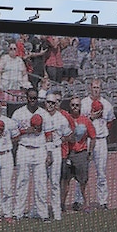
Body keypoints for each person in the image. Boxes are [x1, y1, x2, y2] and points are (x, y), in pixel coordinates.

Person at [78, 79, 116, 211]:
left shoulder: (107, 104)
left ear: (101, 89)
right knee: (82, 172)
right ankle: (79, 200)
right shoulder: (84, 103)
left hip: (100, 140)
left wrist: (101, 130)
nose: (96, 90)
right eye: (94, 87)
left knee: (101, 172)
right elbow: (79, 122)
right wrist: (91, 119)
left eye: (98, 87)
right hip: (86, 140)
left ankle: (103, 201)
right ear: (90, 88)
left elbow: (110, 121)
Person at [11, 89, 48, 220]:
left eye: (35, 98)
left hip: (39, 149)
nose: (33, 101)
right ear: (26, 98)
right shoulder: (18, 113)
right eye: (31, 98)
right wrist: (26, 131)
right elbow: (13, 136)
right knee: (22, 182)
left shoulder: (43, 113)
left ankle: (42, 213)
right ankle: (18, 213)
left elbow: (48, 134)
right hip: (24, 148)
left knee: (41, 183)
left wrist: (49, 153)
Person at [40, 91, 71, 222]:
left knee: (54, 182)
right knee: (40, 182)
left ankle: (56, 211)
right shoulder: (40, 115)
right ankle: (40, 211)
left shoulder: (61, 118)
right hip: (42, 150)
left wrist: (59, 140)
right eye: (48, 102)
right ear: (45, 102)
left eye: (53, 103)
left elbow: (69, 135)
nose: (51, 105)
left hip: (56, 150)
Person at [61, 94, 95, 213]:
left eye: (77, 105)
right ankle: (62, 205)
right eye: (73, 105)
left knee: (83, 181)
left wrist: (90, 152)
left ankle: (87, 204)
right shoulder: (65, 119)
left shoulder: (85, 120)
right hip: (68, 153)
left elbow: (93, 137)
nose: (75, 107)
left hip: (81, 153)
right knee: (65, 181)